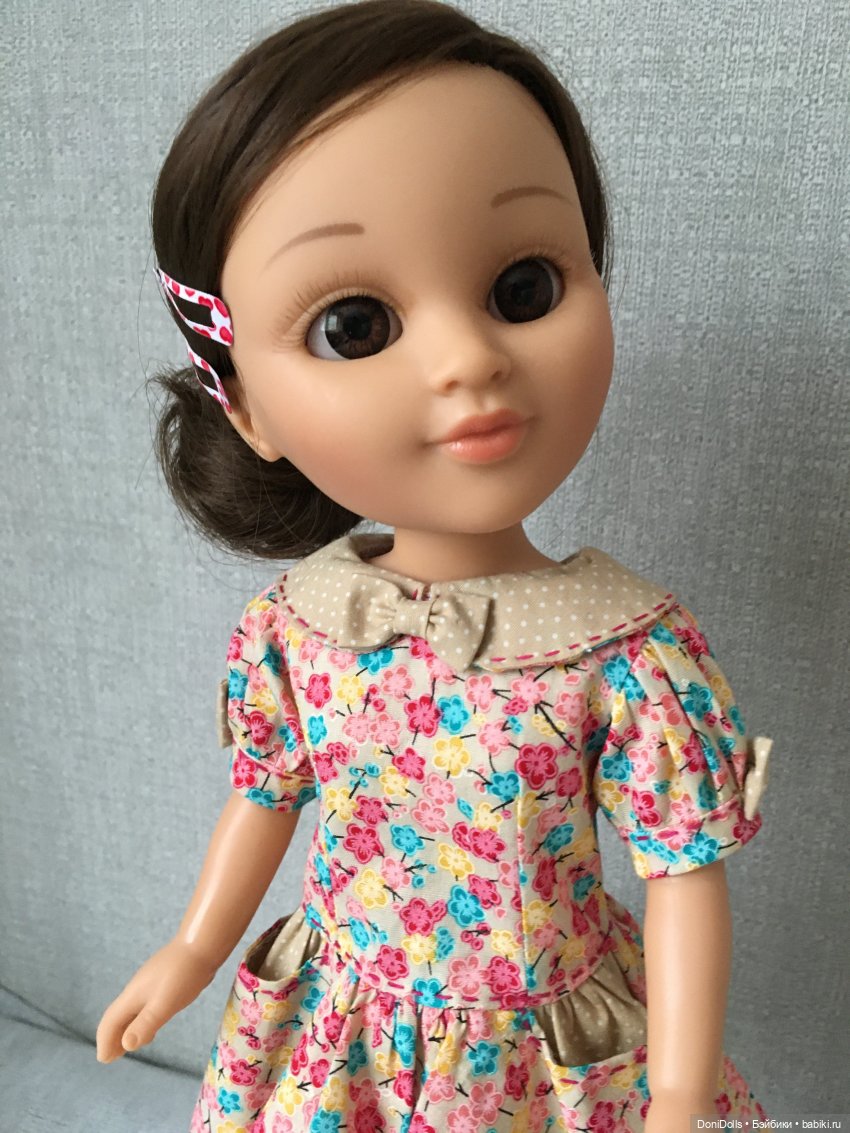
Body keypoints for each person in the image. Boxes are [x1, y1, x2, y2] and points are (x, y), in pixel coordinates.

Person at [95, 2, 773, 1129]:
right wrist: (192, 948)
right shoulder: (298, 627)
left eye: (524, 288)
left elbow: (682, 877)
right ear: (245, 404)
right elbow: (263, 799)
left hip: (544, 1059)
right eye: (355, 326)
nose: (469, 358)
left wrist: (676, 1089)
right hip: (341, 1036)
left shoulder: (628, 654)